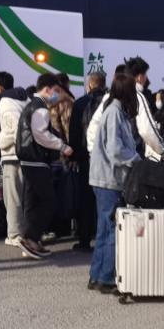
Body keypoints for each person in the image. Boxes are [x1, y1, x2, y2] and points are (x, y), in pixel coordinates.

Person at [88, 73, 141, 293]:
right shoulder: (115, 113)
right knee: (112, 230)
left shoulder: (113, 110)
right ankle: (107, 278)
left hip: (103, 178)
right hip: (109, 179)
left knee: (103, 228)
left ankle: (96, 275)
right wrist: (136, 159)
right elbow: (115, 150)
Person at [16, 74, 73, 260]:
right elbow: (41, 134)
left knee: (33, 201)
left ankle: (31, 240)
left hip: (27, 159)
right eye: (56, 91)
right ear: (47, 89)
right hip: (37, 160)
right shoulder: (40, 108)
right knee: (48, 201)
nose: (57, 95)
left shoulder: (30, 105)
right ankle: (30, 238)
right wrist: (62, 146)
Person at [86, 56, 164, 166]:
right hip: (126, 162)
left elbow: (93, 126)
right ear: (140, 77)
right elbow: (147, 131)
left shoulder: (109, 96)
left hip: (103, 162)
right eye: (145, 75)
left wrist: (94, 152)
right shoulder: (137, 96)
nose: (146, 79)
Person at [69, 72, 107, 252]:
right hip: (105, 158)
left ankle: (84, 239)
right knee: (104, 199)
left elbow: (74, 133)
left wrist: (74, 155)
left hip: (85, 158)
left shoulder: (80, 103)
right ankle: (104, 239)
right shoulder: (109, 102)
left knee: (85, 198)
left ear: (89, 85)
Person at [0, 79, 30, 249]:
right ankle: (26, 232)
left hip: (12, 155)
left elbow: (13, 129)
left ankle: (15, 234)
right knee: (25, 196)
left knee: (13, 197)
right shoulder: (25, 99)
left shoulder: (5, 102)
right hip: (27, 155)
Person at [50, 72, 75, 143]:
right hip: (64, 143)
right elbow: (68, 124)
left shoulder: (50, 100)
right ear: (66, 83)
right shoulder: (66, 101)